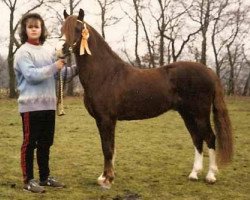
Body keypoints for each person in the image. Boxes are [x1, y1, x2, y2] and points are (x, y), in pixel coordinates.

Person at [14, 13, 78, 193]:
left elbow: (60, 75)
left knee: (45, 143)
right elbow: (32, 76)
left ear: (42, 29)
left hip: (48, 106)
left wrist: (80, 67)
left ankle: (44, 178)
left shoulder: (49, 51)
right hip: (30, 107)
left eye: (37, 26)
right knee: (29, 143)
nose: (34, 29)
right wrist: (54, 67)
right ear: (25, 30)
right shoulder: (23, 52)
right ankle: (28, 181)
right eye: (30, 26)